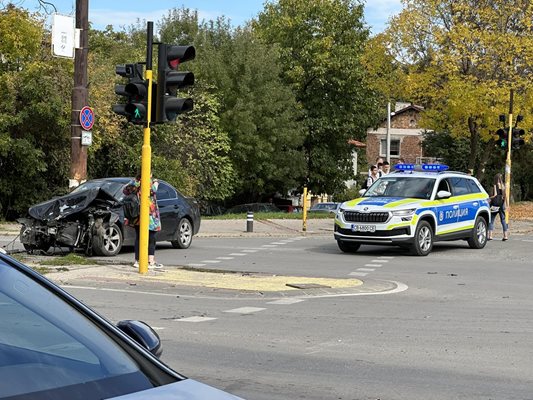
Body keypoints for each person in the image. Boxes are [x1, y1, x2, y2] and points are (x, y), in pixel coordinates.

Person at [123, 173, 163, 269]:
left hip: (137, 214)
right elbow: (153, 190)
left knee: (139, 238)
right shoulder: (147, 181)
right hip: (149, 214)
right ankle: (150, 261)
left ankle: (138, 260)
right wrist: (156, 182)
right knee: (151, 237)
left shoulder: (135, 182)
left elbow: (125, 190)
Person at [487, 173, 509, 241]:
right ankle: (505, 236)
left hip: (495, 204)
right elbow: (505, 196)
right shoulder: (503, 185)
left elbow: (495, 195)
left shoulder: (495, 185)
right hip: (502, 204)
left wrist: (489, 198)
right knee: (503, 219)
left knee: (492, 219)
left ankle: (490, 235)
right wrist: (507, 205)